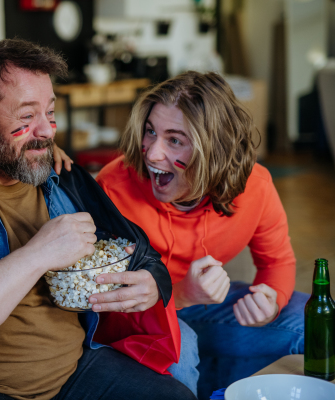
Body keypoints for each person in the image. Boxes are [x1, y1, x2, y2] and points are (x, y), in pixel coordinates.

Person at [0, 38, 197, 400]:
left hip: (81, 369)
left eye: (50, 114)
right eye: (26, 116)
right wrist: (37, 255)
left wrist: (152, 281)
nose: (47, 131)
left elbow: (139, 251)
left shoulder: (64, 177)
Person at [96, 71, 308, 398]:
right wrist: (181, 292)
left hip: (206, 310)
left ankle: (210, 382)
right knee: (180, 352)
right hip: (141, 322)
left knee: (317, 320)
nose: (151, 153)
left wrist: (270, 300)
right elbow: (106, 311)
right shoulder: (114, 188)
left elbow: (278, 261)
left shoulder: (256, 186)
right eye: (150, 132)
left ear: (214, 148)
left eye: (175, 139)